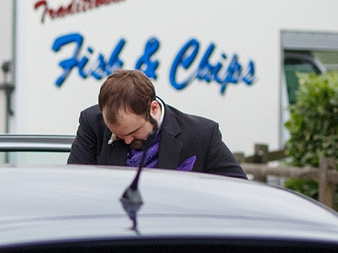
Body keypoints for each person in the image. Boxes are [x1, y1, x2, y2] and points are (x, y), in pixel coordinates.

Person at [67, 69, 247, 178]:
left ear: (153, 108)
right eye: (118, 135)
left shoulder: (203, 135)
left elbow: (239, 190)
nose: (128, 141)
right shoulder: (92, 123)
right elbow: (75, 186)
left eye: (134, 132)